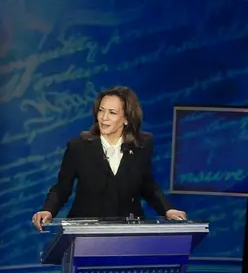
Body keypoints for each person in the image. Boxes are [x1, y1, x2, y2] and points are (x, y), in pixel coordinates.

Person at [32, 86, 187, 230]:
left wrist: (167, 209)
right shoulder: (78, 147)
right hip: (86, 231)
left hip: (127, 230)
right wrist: (48, 210)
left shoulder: (142, 145)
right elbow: (62, 188)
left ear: (126, 118)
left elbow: (147, 185)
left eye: (112, 113)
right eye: (101, 111)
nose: (104, 118)